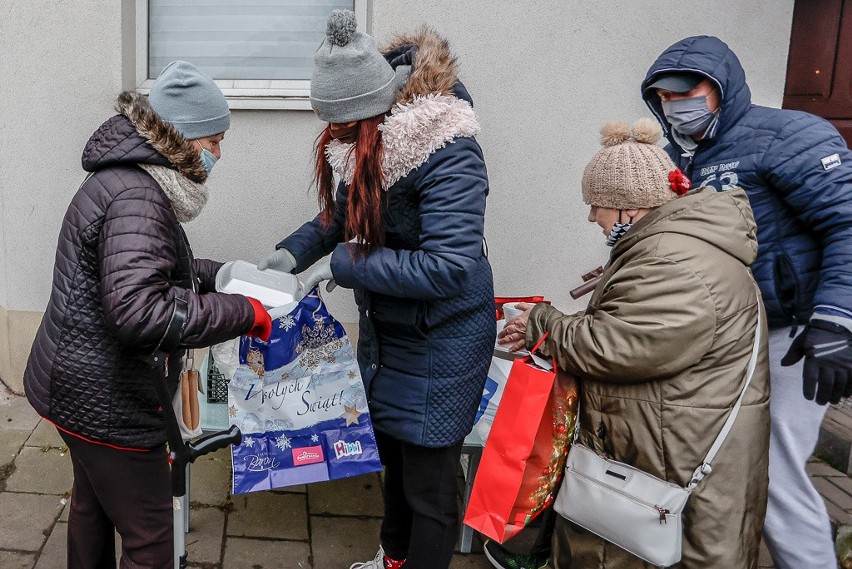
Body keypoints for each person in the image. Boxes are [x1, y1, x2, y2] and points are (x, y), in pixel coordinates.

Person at [258, 10, 494, 569]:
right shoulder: (369, 142)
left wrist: (343, 265)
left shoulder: (448, 149)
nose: (332, 136)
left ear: (370, 112)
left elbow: (449, 267)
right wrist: (290, 253)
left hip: (444, 343)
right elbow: (340, 217)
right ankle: (390, 560)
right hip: (391, 339)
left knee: (429, 490)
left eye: (340, 126)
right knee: (393, 465)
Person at [23, 60, 273, 568]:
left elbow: (151, 267)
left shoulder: (128, 179)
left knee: (92, 506)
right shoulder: (138, 196)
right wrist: (242, 311)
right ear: (183, 138)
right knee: (150, 538)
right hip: (106, 399)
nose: (219, 154)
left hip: (74, 384)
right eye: (214, 141)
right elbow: (139, 312)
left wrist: (219, 275)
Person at [498, 118, 770, 568]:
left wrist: (542, 323)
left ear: (630, 208)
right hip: (672, 444)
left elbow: (615, 348)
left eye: (597, 206)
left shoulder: (672, 262)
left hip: (678, 461)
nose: (592, 218)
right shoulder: (674, 248)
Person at [641, 35, 852, 569]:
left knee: (773, 474)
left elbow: (847, 220)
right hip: (724, 340)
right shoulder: (674, 160)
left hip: (792, 333)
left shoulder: (789, 135)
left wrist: (836, 320)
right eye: (663, 98)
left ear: (722, 89)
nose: (675, 106)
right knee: (717, 465)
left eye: (688, 93)